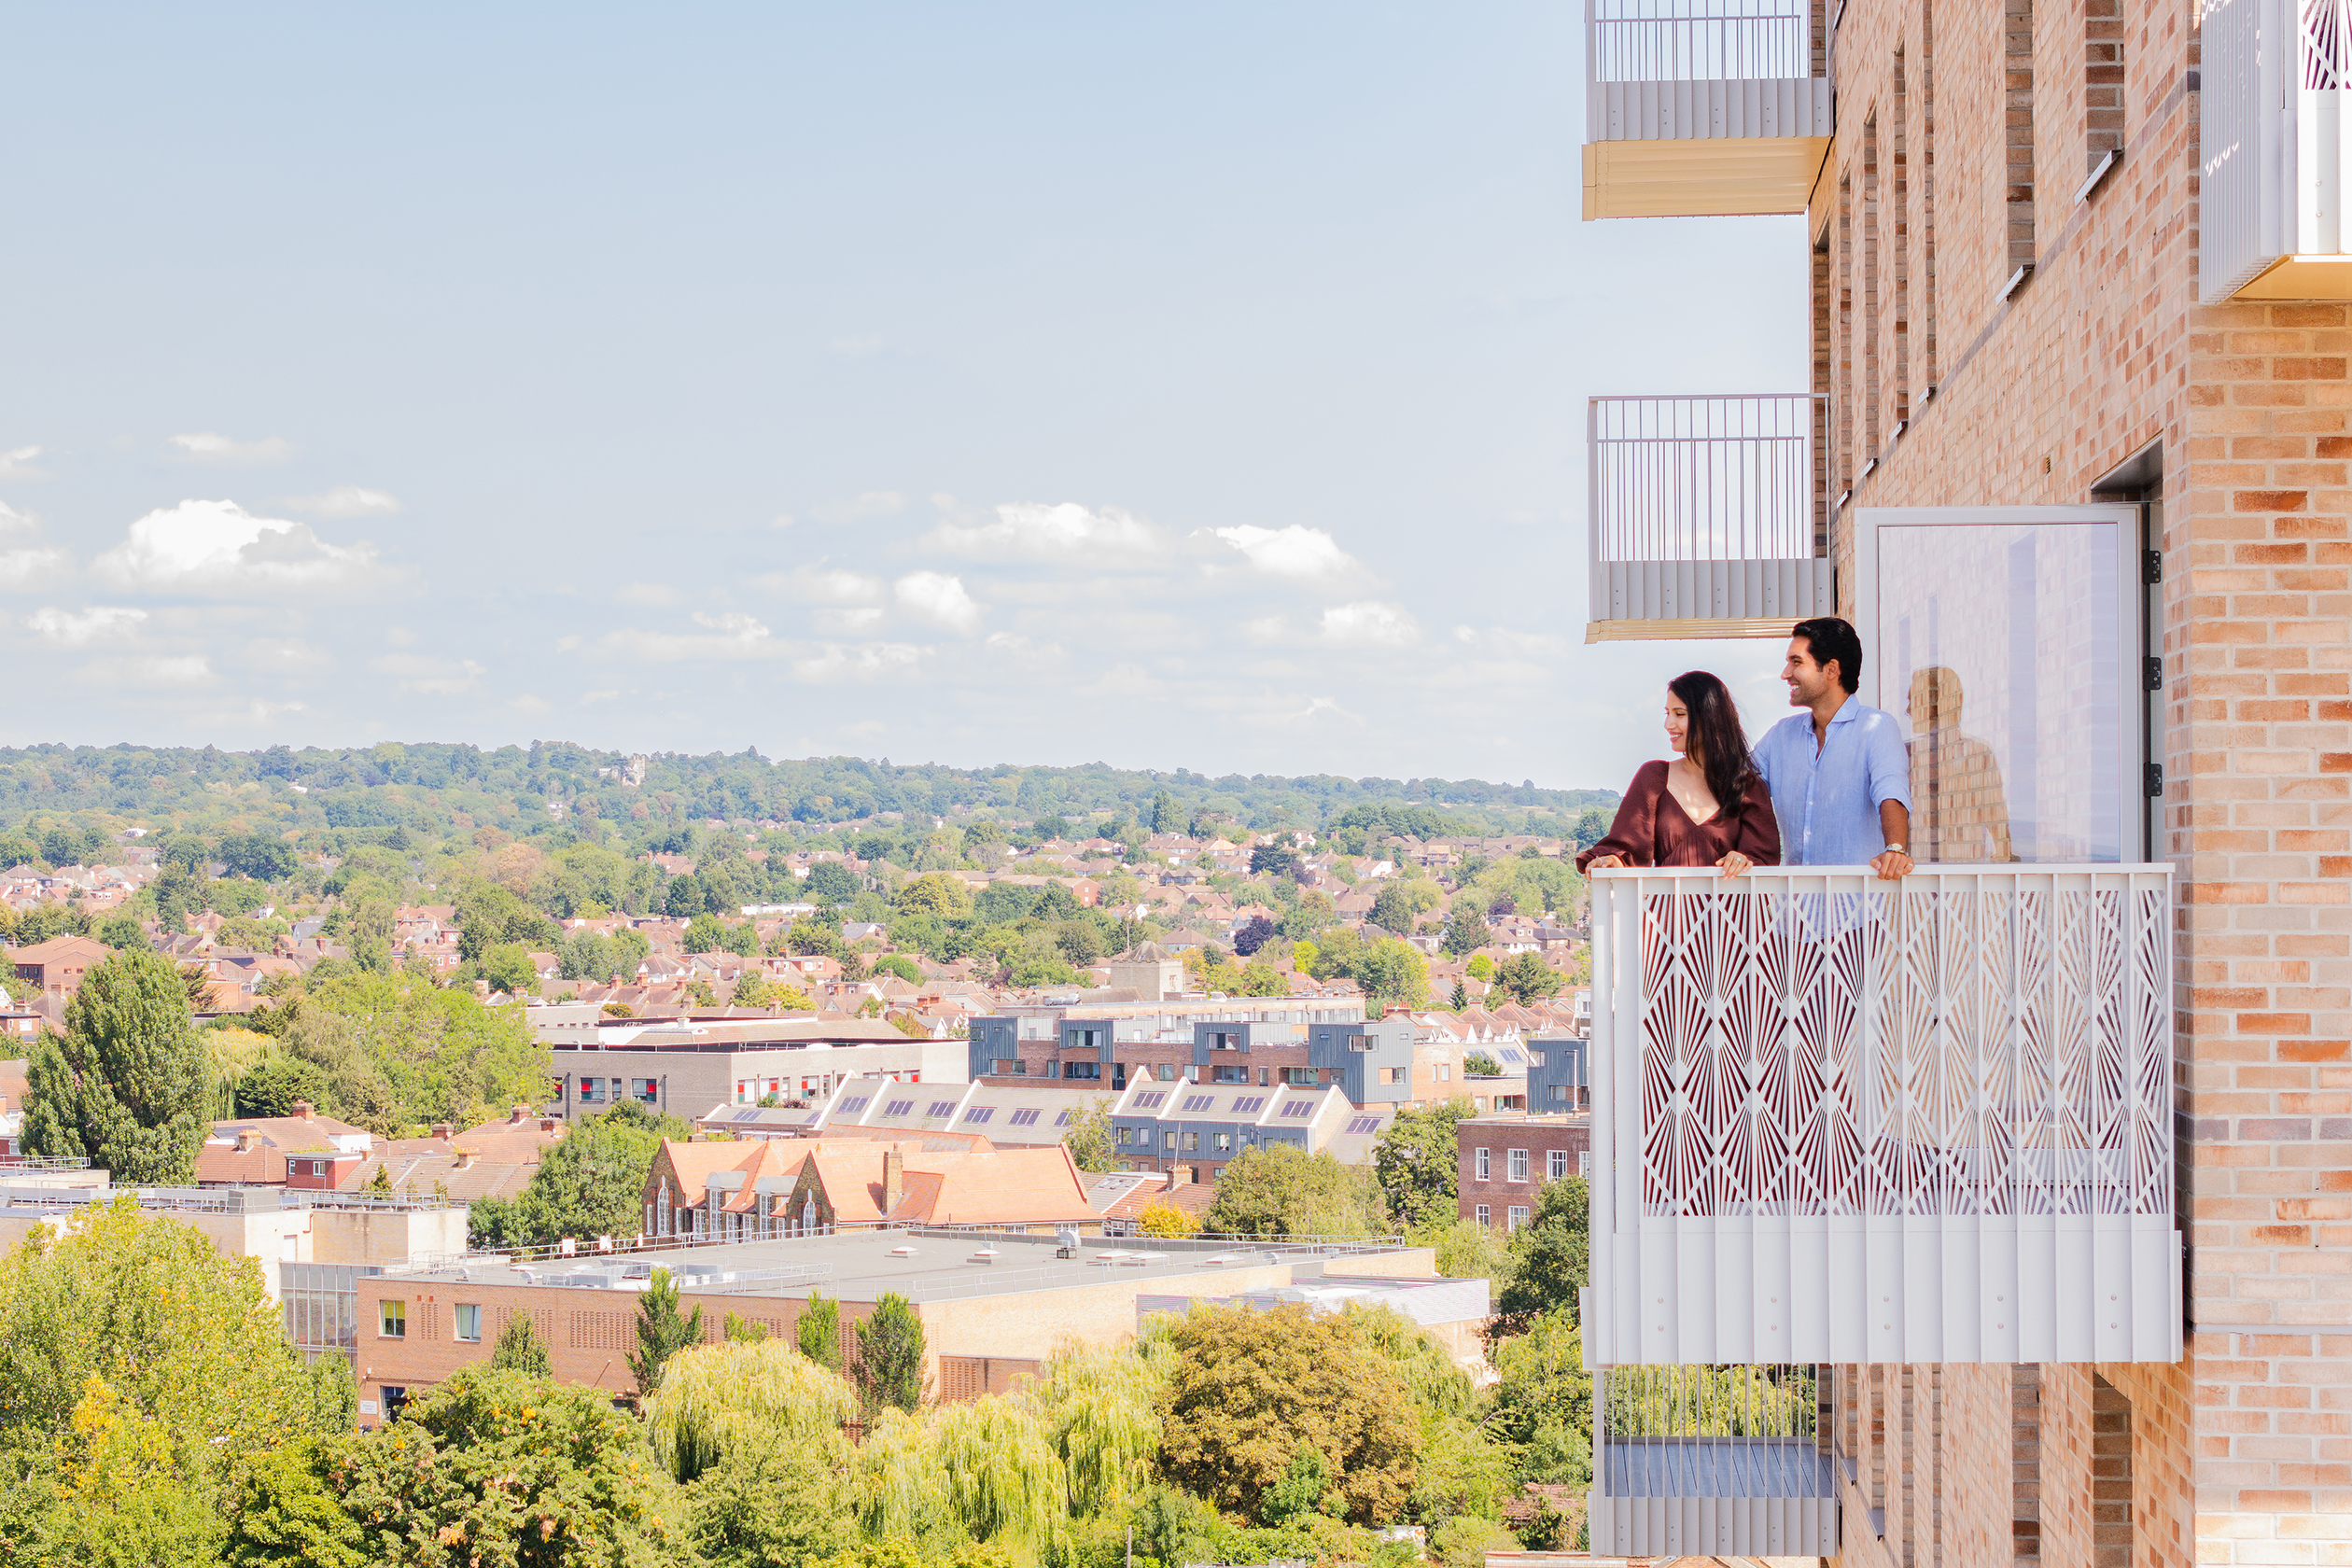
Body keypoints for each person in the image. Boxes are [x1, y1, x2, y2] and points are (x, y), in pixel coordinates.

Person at [1751, 616, 1912, 878]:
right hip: (1794, 913)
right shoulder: (1780, 735)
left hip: (1857, 913)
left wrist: (1895, 848)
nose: (1785, 674)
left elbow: (1890, 790)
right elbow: (1736, 787)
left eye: (1796, 662)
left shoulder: (1876, 728)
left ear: (1831, 670)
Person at [1578, 670, 1781, 875]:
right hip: (1666, 907)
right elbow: (1627, 847)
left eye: (1680, 714)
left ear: (1710, 717)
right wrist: (1613, 860)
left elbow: (1763, 861)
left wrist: (1742, 860)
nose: (1668, 724)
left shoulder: (1748, 786)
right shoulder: (1654, 777)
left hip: (1729, 907)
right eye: (1667, 713)